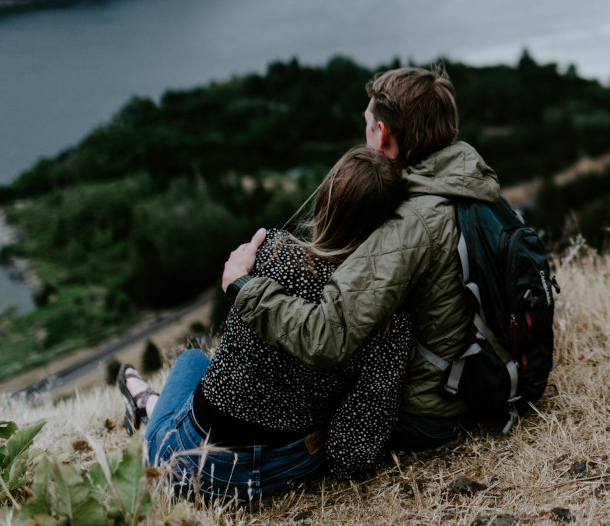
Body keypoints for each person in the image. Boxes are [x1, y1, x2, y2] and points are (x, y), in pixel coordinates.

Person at [221, 66, 499, 452]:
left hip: (432, 413)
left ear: (382, 135)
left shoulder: (407, 225)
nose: (365, 133)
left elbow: (325, 337)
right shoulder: (471, 183)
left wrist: (242, 285)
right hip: (478, 377)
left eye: (368, 124)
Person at [118, 146, 414, 501]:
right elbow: (350, 455)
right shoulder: (391, 322)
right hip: (282, 469)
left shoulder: (270, 252)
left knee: (192, 362)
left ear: (327, 203)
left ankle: (146, 404)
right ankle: (148, 403)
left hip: (195, 469)